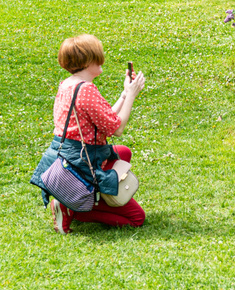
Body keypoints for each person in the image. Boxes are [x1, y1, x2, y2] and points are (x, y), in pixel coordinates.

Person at [30, 34, 147, 233]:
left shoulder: (68, 85)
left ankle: (72, 202)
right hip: (83, 163)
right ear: (87, 61)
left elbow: (105, 119)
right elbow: (117, 129)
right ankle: (75, 209)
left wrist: (124, 94)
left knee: (123, 153)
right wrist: (132, 97)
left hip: (67, 154)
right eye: (98, 56)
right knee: (137, 218)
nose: (102, 59)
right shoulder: (86, 91)